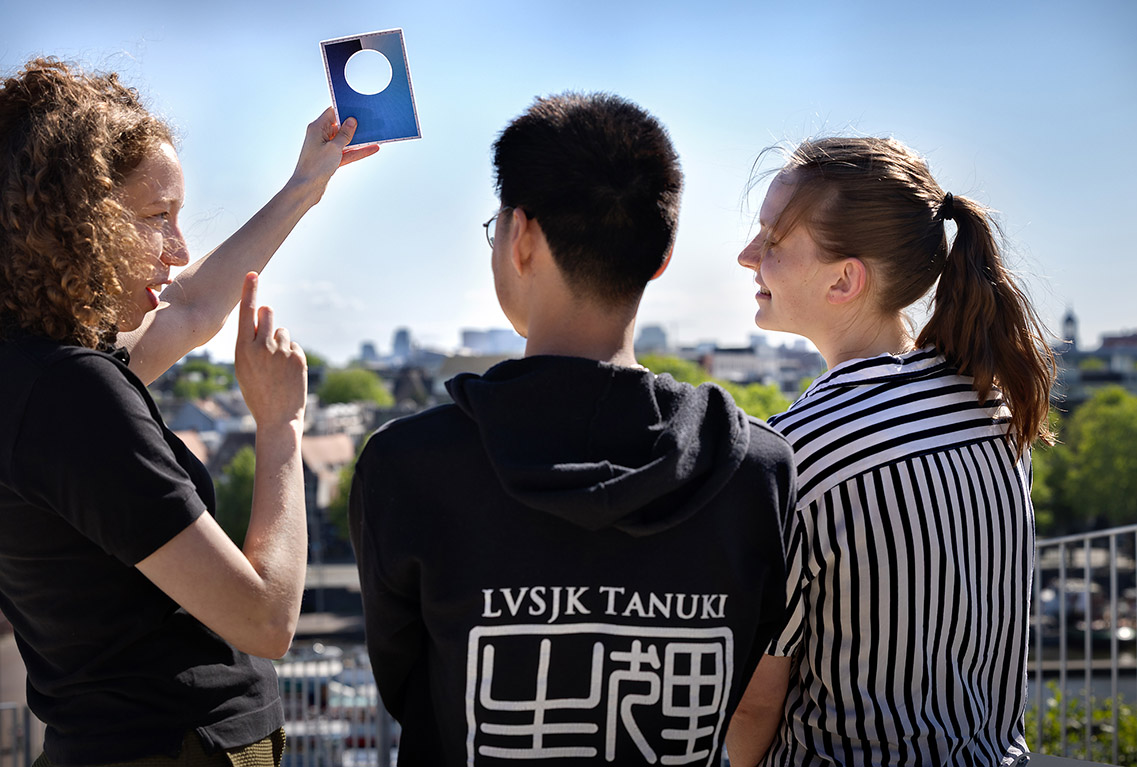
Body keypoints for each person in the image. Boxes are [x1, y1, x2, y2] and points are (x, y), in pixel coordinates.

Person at [349, 92, 796, 765]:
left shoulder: (409, 466)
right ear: (662, 255)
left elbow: (412, 687)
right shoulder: (756, 470)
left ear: (522, 238)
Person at [0, 57, 375, 764]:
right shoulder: (71, 395)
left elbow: (190, 306)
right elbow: (265, 618)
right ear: (78, 224)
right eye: (156, 218)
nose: (178, 249)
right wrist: (280, 427)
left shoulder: (31, 373)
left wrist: (305, 186)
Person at [725, 137, 1054, 766]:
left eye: (773, 240)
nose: (747, 256)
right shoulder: (992, 409)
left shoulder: (796, 452)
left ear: (845, 279)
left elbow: (752, 706)